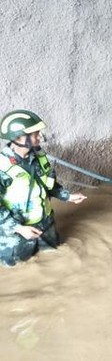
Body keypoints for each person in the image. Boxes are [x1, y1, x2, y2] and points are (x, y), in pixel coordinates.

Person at [0, 110, 87, 267]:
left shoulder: (39, 157)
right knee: (17, 266)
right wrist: (19, 228)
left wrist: (68, 196)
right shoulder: (3, 167)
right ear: (19, 137)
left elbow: (47, 185)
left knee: (55, 258)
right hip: (17, 231)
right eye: (35, 134)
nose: (40, 137)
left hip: (45, 223)